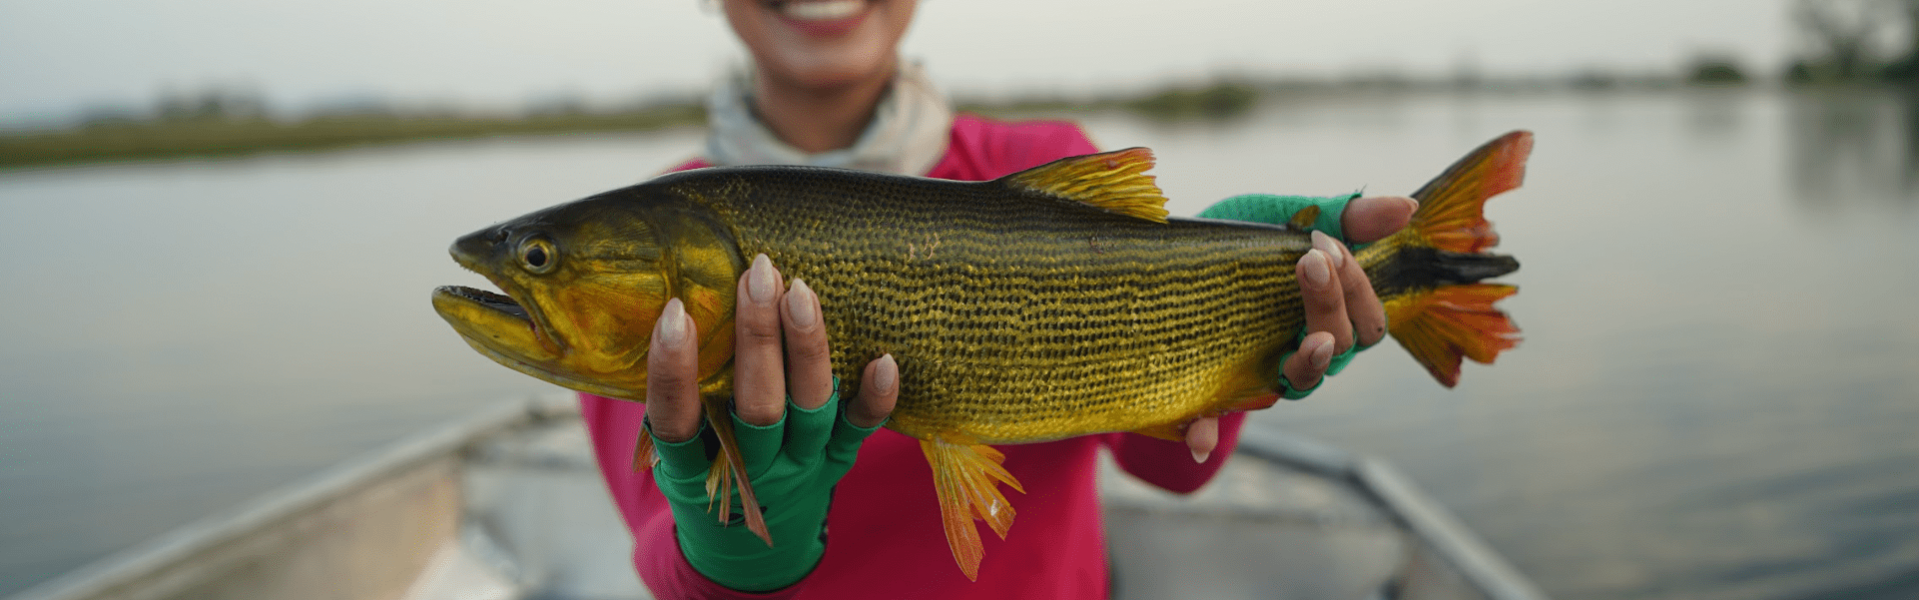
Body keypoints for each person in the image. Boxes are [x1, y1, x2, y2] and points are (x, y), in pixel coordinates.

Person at [578, 1, 1417, 597]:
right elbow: (663, 550)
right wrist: (736, 559)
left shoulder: (1042, 158)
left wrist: (1241, 297)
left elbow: (1170, 462)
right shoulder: (640, 238)